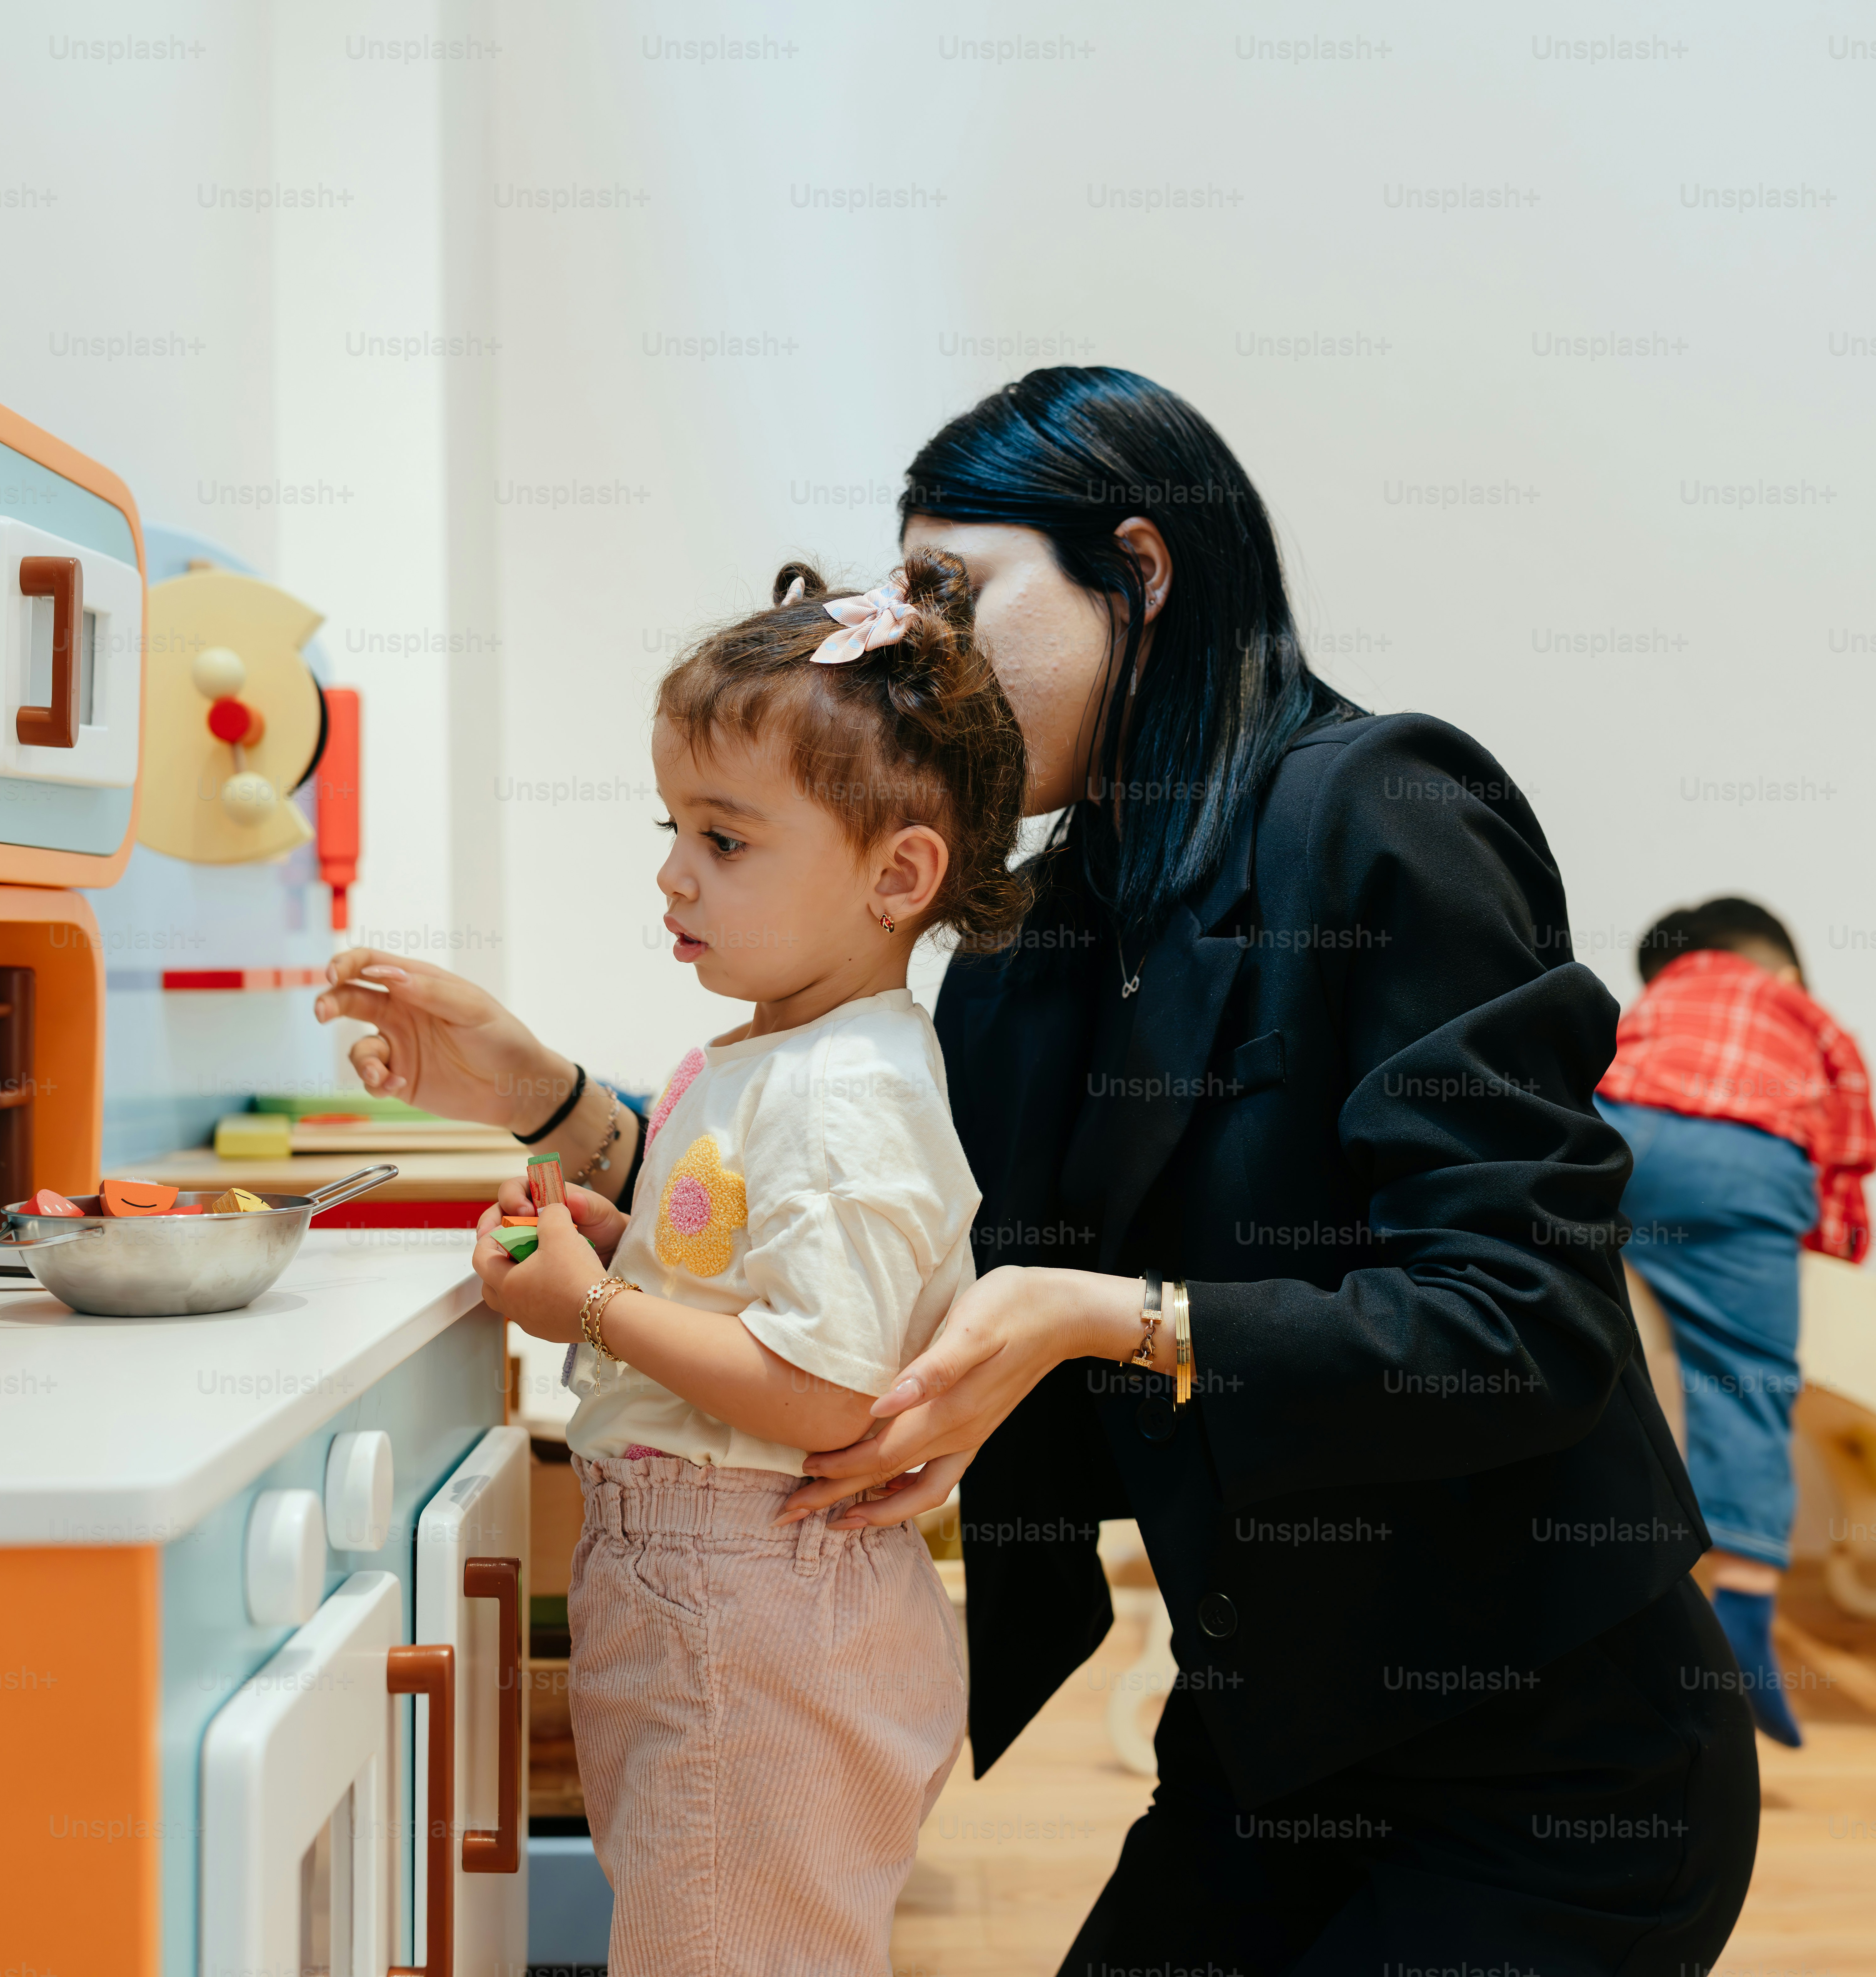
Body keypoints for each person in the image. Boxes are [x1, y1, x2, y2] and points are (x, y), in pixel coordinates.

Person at [317, 368, 1758, 1974]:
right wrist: (543, 1099)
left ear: (1135, 573)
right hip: (1267, 1753)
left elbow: (1522, 1321)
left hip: (1551, 1767)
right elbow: (839, 1229)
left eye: (954, 589)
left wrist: (1119, 1315)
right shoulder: (1028, 942)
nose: (915, 639)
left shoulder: (1380, 814)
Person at [448, 552, 1025, 1976]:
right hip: (720, 1601)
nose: (670, 870)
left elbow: (822, 1392)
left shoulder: (844, 1088)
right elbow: (747, 1270)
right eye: (672, 825)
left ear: (897, 876)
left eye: (724, 838)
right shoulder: (774, 1055)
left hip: (748, 1613)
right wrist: (624, 1244)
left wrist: (590, 1305)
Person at [1596, 896, 1876, 1747]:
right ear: (1788, 974)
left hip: (1620, 1137)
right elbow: (1846, 1136)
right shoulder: (1803, 1015)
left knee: (1589, 1344)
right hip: (1745, 1162)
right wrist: (1830, 1250)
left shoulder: (1652, 1009)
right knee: (1743, 1380)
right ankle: (1746, 1614)